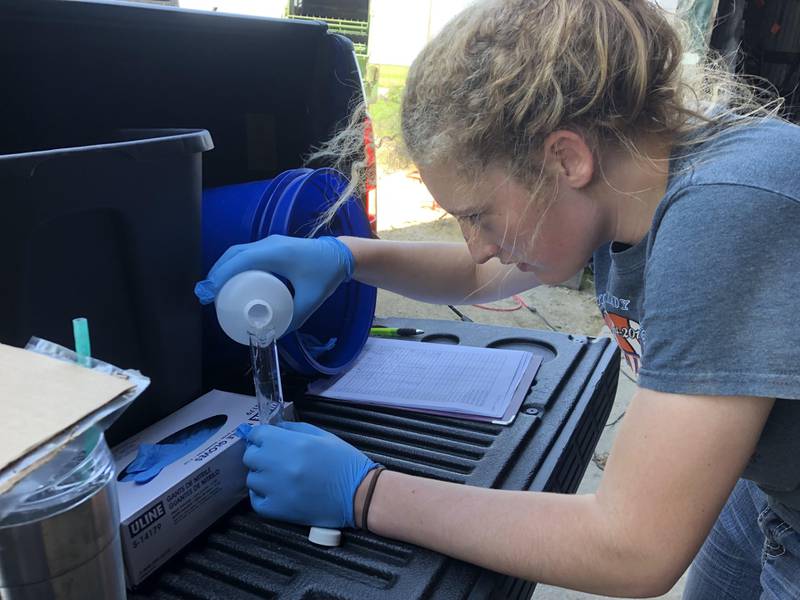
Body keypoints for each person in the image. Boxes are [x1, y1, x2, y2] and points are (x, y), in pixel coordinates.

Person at [194, 0, 800, 597]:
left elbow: (631, 546)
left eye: (478, 215)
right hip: (766, 490)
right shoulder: (628, 178)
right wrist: (348, 258)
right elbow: (477, 273)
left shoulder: (727, 211)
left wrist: (366, 493)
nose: (478, 246)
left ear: (566, 157)